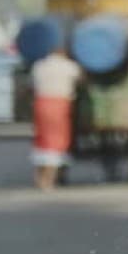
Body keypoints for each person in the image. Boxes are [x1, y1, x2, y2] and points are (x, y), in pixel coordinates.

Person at [31, 48, 83, 190]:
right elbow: (81, 79)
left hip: (41, 104)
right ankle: (48, 179)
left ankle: (39, 176)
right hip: (60, 105)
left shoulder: (39, 66)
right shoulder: (68, 66)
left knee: (42, 140)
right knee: (56, 141)